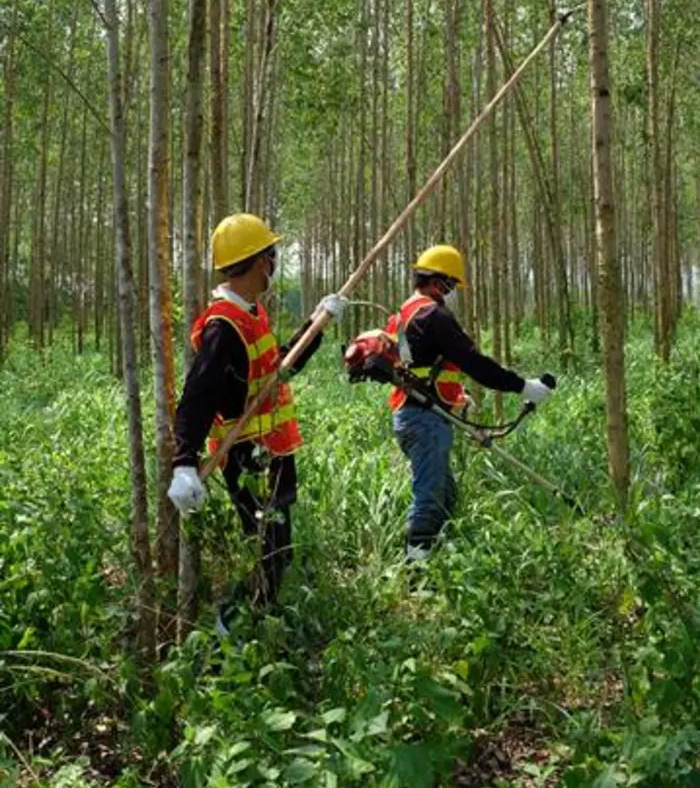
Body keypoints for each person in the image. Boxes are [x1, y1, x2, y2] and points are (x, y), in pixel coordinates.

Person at [167, 212, 343, 635]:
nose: (274, 263)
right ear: (263, 260)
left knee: (276, 550)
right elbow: (197, 397)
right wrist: (184, 462)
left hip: (271, 450)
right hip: (249, 459)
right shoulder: (223, 327)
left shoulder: (250, 312)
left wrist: (316, 325)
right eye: (272, 254)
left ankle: (254, 630)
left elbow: (277, 369)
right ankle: (232, 634)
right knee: (271, 551)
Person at [386, 244, 554, 561]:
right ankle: (414, 567)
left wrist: (453, 396)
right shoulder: (433, 314)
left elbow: (417, 369)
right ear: (439, 283)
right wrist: (523, 387)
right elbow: (473, 362)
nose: (455, 295)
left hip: (414, 415)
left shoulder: (404, 314)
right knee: (431, 496)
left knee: (446, 494)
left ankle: (436, 557)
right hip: (424, 422)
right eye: (453, 286)